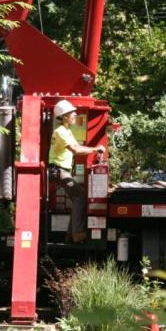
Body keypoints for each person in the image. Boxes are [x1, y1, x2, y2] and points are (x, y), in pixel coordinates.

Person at [48, 99, 105, 243]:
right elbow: (76, 150)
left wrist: (93, 149)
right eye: (72, 113)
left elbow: (77, 147)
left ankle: (70, 236)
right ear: (64, 116)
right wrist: (95, 149)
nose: (75, 114)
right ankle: (78, 234)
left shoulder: (66, 131)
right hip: (59, 170)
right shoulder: (60, 132)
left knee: (76, 198)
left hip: (61, 170)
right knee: (80, 196)